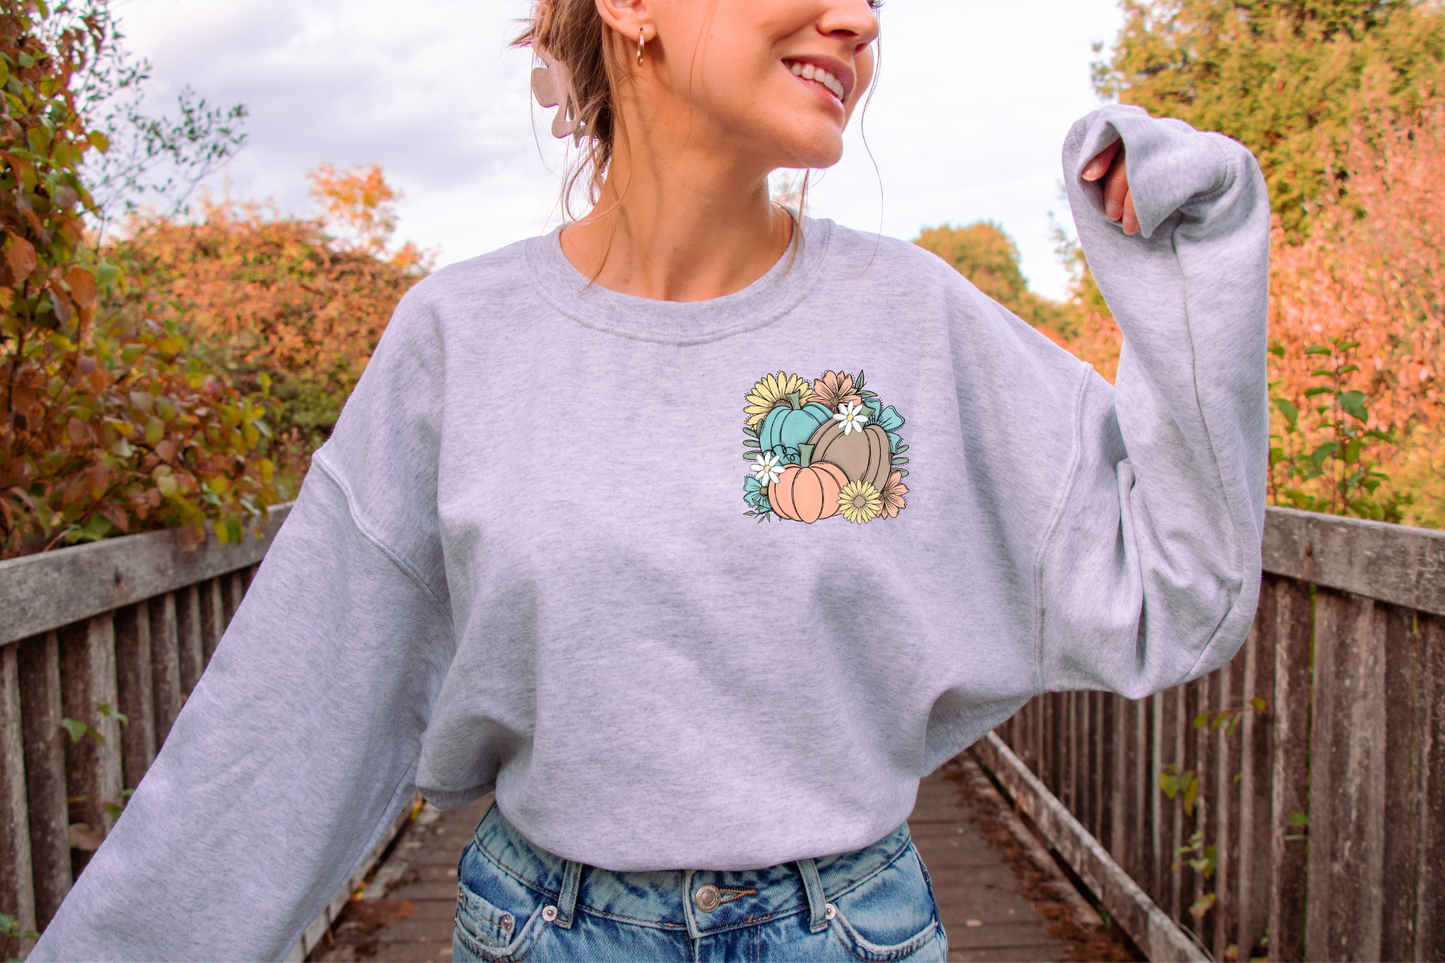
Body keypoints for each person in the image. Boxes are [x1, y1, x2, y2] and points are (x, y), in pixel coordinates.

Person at [30, 0, 1270, 960]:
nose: (861, 18)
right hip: (539, 929)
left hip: (844, 932)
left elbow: (1183, 588)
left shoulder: (919, 324)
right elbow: (285, 719)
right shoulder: (459, 341)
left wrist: (1188, 270)